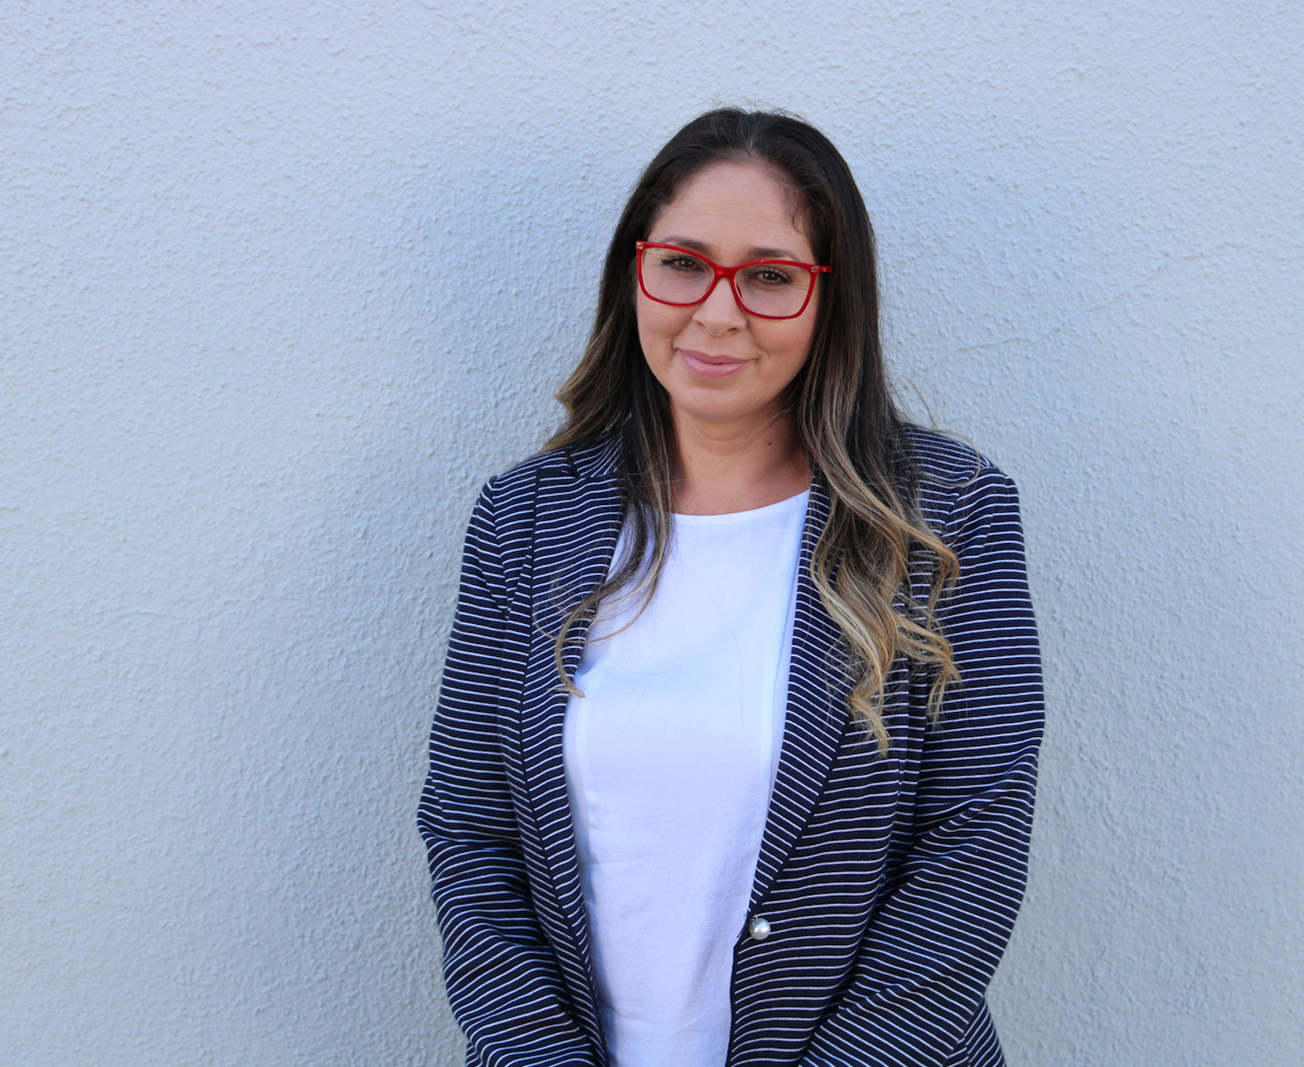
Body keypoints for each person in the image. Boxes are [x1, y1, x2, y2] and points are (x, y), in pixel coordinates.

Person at [417, 108, 1044, 1067]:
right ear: (637, 268)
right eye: (682, 262)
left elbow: (970, 846)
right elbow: (470, 830)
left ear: (832, 299)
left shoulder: (946, 516)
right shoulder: (526, 520)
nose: (717, 312)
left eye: (769, 275)